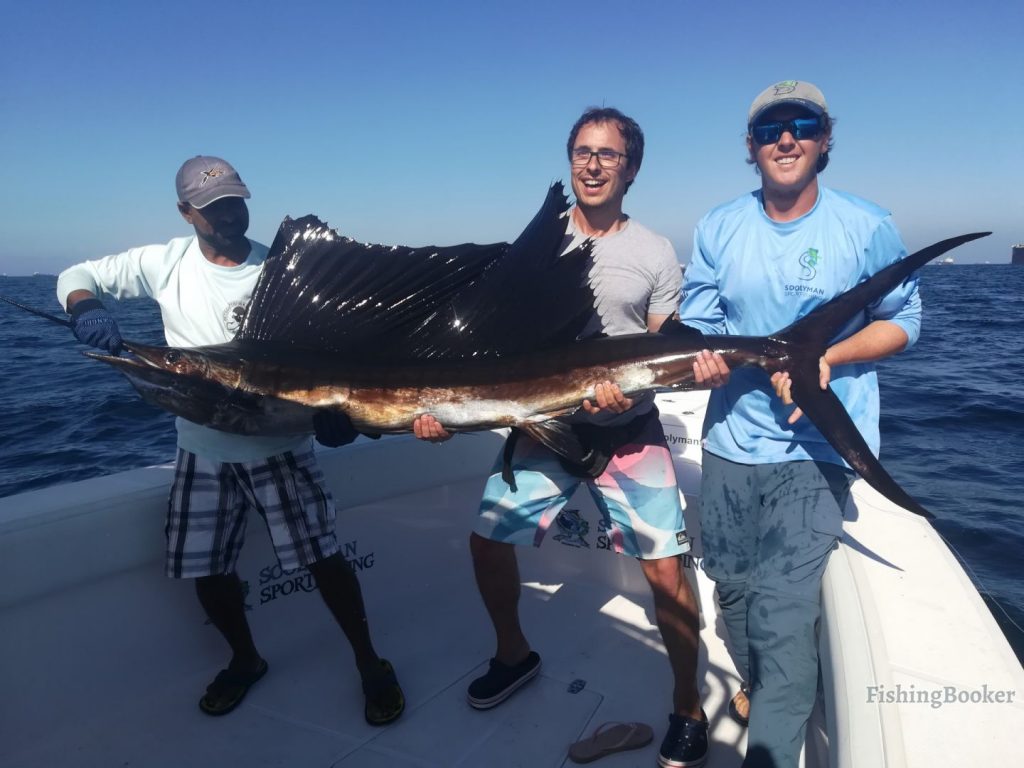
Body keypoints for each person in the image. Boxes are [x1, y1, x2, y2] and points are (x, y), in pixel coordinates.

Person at [55, 156, 405, 726]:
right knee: (206, 567)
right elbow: (75, 277)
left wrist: (342, 418)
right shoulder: (163, 262)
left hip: (283, 450)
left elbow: (331, 365)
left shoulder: (281, 271)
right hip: (202, 452)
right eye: (215, 208)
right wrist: (86, 307)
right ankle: (245, 660)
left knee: (324, 561)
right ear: (186, 212)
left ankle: (371, 663)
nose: (230, 216)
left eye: (236, 202)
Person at [414, 108, 709, 768]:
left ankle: (689, 704)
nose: (593, 164)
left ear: (630, 168)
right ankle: (513, 654)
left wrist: (636, 390)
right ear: (570, 160)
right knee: (487, 541)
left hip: (627, 428)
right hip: (545, 427)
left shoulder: (656, 252)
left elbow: (665, 349)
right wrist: (444, 413)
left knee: (665, 570)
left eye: (608, 154)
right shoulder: (534, 250)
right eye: (582, 151)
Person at [679, 81, 922, 767]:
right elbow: (703, 325)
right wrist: (706, 359)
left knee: (783, 617)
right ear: (751, 149)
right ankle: (760, 684)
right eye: (770, 129)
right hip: (730, 442)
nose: (787, 138)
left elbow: (904, 319)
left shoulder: (866, 224)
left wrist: (828, 357)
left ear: (824, 140)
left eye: (803, 125)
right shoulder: (718, 226)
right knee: (731, 592)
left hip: (816, 449)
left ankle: (773, 744)